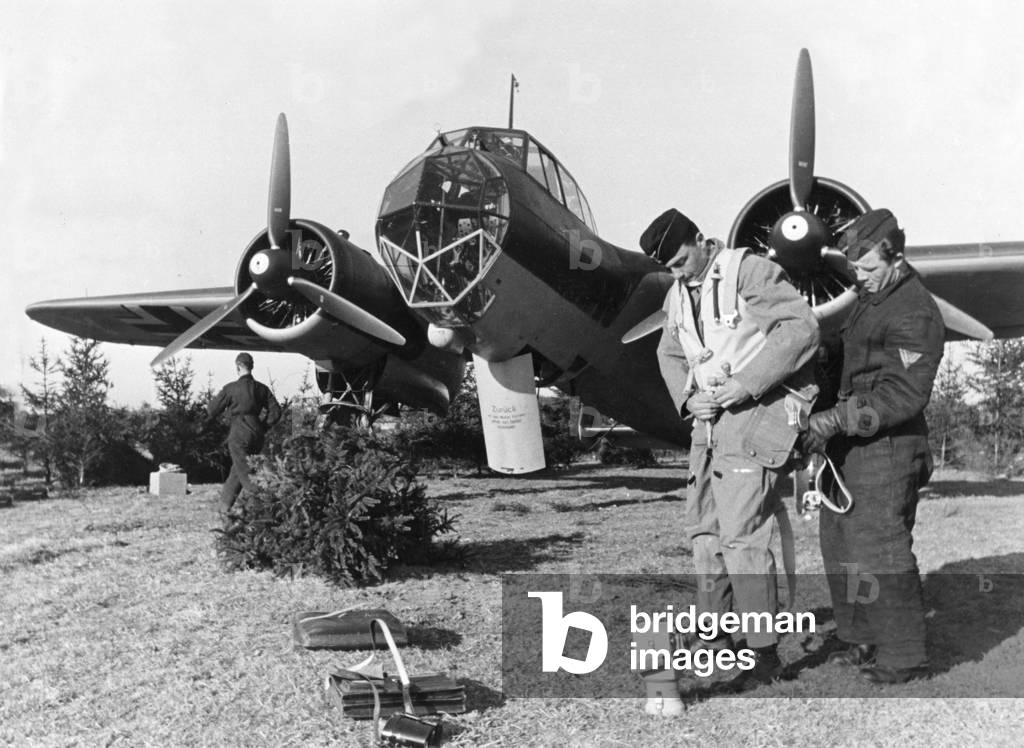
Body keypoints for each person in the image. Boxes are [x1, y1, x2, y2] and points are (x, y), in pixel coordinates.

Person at [652, 209, 820, 688]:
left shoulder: (749, 270)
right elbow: (667, 352)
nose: (678, 272)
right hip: (708, 427)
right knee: (704, 532)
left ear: (703, 242)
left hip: (755, 415)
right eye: (669, 268)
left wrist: (745, 385)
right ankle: (716, 638)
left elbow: (800, 329)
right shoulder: (676, 295)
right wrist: (689, 398)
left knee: (742, 535)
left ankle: (764, 656)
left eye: (682, 260)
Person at [803, 209, 943, 684]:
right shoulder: (872, 296)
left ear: (896, 257)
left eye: (867, 269)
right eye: (855, 269)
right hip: (852, 444)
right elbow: (857, 354)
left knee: (880, 546)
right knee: (840, 542)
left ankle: (904, 656)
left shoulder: (916, 311)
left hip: (889, 446)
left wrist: (835, 418)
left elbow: (904, 393)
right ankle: (860, 638)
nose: (858, 278)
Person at [207, 352, 281, 515]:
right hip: (257, 434)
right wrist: (263, 426)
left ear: (238, 367)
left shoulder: (231, 388)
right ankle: (224, 508)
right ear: (251, 367)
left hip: (238, 433)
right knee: (237, 470)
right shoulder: (262, 389)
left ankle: (261, 506)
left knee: (246, 472)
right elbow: (276, 412)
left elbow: (212, 410)